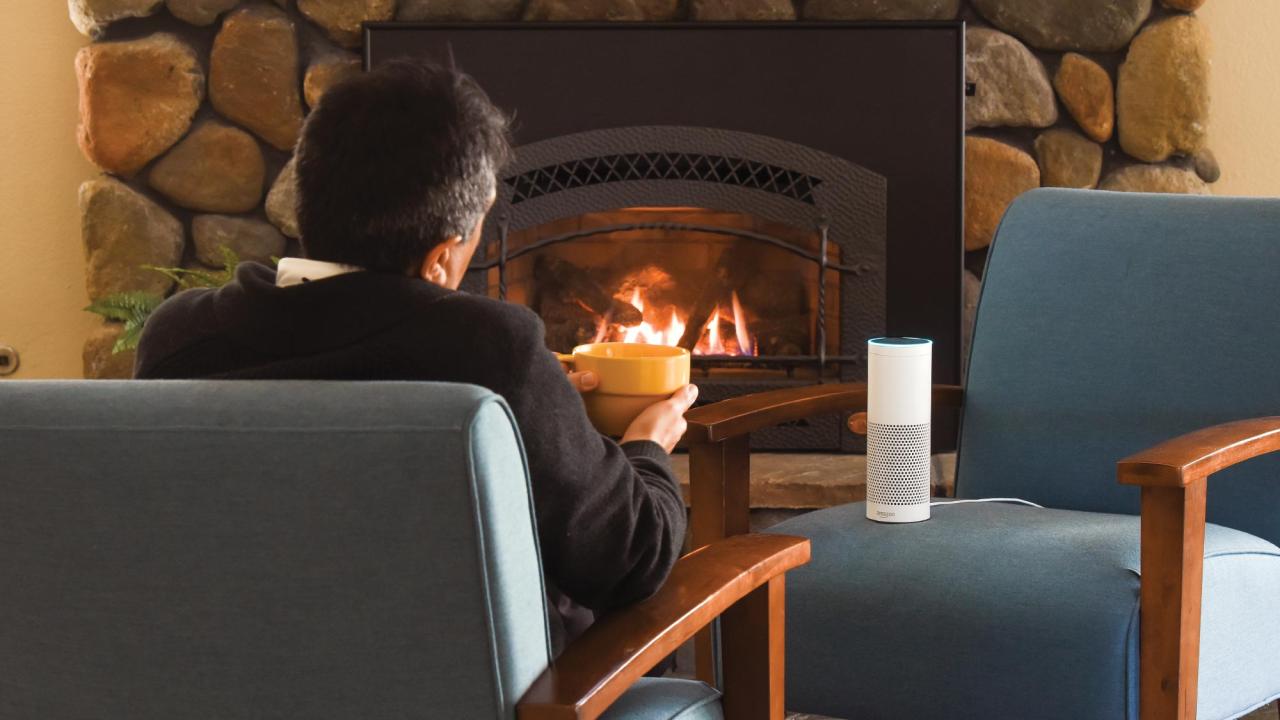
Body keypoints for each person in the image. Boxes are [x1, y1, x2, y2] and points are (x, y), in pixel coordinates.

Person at [133, 59, 696, 652]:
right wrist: (646, 448)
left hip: (226, 680)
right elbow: (632, 558)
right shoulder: (492, 353)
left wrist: (539, 402)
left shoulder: (180, 339)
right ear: (439, 258)